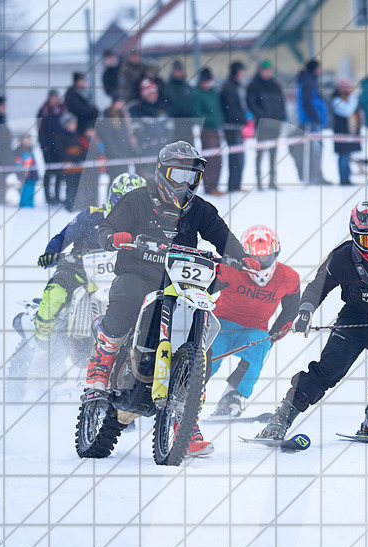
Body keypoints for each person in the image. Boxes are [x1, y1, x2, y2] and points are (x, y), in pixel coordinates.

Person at [86, 142, 259, 455]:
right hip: (139, 274)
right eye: (177, 175)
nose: (184, 184)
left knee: (199, 329)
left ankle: (186, 419)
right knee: (128, 295)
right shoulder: (137, 199)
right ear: (161, 172)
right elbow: (109, 226)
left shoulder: (199, 209)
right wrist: (114, 237)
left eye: (191, 177)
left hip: (179, 281)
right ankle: (102, 364)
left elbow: (222, 236)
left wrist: (243, 256)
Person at [256, 199, 368, 442]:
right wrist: (305, 311)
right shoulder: (342, 258)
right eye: (367, 240)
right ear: (355, 237)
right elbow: (317, 287)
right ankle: (281, 418)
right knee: (328, 371)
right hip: (354, 320)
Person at [33, 174, 147, 362]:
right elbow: (63, 236)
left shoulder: (147, 226)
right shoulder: (92, 215)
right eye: (123, 201)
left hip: (123, 278)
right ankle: (41, 354)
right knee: (53, 298)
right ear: (113, 198)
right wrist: (51, 252)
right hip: (77, 271)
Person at [209, 225, 300, 417]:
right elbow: (205, 290)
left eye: (265, 257)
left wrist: (273, 336)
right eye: (256, 257)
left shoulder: (289, 277)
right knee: (211, 357)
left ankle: (232, 398)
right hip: (220, 326)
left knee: (261, 343)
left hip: (252, 331)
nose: (260, 261)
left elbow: (291, 309)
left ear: (275, 254)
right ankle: (186, 394)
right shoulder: (230, 268)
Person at [246, 60, 285, 190]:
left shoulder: (276, 85)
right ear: (260, 71)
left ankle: (272, 181)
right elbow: (251, 103)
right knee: (260, 153)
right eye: (265, 70)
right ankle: (259, 181)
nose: (267, 72)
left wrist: (281, 117)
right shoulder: (254, 85)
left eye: (269, 70)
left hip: (275, 124)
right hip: (262, 124)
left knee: (273, 154)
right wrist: (262, 115)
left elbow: (281, 104)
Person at [190, 68, 224, 195]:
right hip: (206, 129)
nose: (206, 84)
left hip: (216, 129)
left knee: (218, 158)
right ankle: (209, 187)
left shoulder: (214, 93)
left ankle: (216, 185)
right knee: (210, 158)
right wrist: (211, 120)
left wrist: (219, 120)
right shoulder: (197, 94)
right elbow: (196, 114)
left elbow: (219, 110)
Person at [295, 59, 328, 184]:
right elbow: (307, 103)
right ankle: (314, 177)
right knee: (315, 151)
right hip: (311, 122)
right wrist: (316, 117)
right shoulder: (308, 82)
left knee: (316, 150)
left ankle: (316, 175)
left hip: (313, 121)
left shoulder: (308, 81)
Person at [220, 62, 248, 193]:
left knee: (239, 156)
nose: (244, 74)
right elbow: (231, 109)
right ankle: (233, 185)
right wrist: (241, 119)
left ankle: (236, 184)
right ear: (237, 71)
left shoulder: (235, 86)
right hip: (232, 126)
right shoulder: (229, 87)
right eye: (242, 71)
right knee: (236, 157)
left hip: (237, 125)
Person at [98, 96, 138, 187]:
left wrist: (129, 152)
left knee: (123, 181)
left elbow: (126, 137)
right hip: (114, 158)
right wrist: (118, 154)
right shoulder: (108, 118)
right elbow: (109, 140)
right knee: (115, 181)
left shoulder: (123, 117)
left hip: (123, 156)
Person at [37, 89, 67, 206]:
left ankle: (57, 195)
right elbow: (40, 129)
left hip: (60, 146)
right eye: (53, 97)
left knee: (59, 172)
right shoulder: (44, 111)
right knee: (49, 171)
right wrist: (43, 144)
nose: (56, 100)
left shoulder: (62, 109)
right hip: (48, 146)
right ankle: (48, 197)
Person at [330, 78, 361, 186]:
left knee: (347, 156)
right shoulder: (336, 100)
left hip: (350, 132)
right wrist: (353, 99)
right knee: (343, 156)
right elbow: (348, 111)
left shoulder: (348, 98)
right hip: (341, 132)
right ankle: (344, 179)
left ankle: (347, 178)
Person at [56, 112, 86, 210]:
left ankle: (78, 204)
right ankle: (70, 205)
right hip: (69, 168)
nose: (75, 125)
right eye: (72, 123)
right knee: (71, 187)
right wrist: (74, 158)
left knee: (79, 186)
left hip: (78, 167)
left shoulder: (77, 135)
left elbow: (82, 149)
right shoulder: (62, 137)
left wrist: (80, 157)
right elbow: (62, 152)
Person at [165, 60, 193, 145]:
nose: (178, 73)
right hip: (175, 123)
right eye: (176, 71)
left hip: (188, 123)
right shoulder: (168, 88)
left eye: (180, 70)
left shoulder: (187, 87)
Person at [14, 133, 38, 208]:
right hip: (24, 175)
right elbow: (18, 164)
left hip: (32, 174)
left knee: (31, 191)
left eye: (28, 139)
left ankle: (30, 206)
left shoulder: (31, 149)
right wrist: (20, 175)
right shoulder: (19, 150)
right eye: (26, 139)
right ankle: (24, 206)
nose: (28, 141)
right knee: (25, 191)